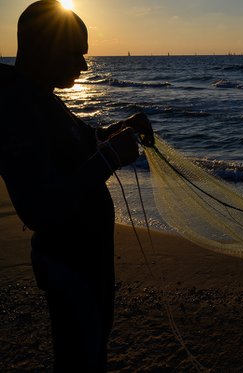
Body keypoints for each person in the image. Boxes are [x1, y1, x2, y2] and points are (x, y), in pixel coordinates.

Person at [0, 1, 154, 371]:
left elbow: (84, 139)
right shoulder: (15, 109)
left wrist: (120, 128)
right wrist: (109, 158)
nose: (84, 66)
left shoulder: (43, 98)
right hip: (68, 269)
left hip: (89, 263)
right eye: (75, 54)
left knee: (93, 352)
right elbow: (39, 207)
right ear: (43, 47)